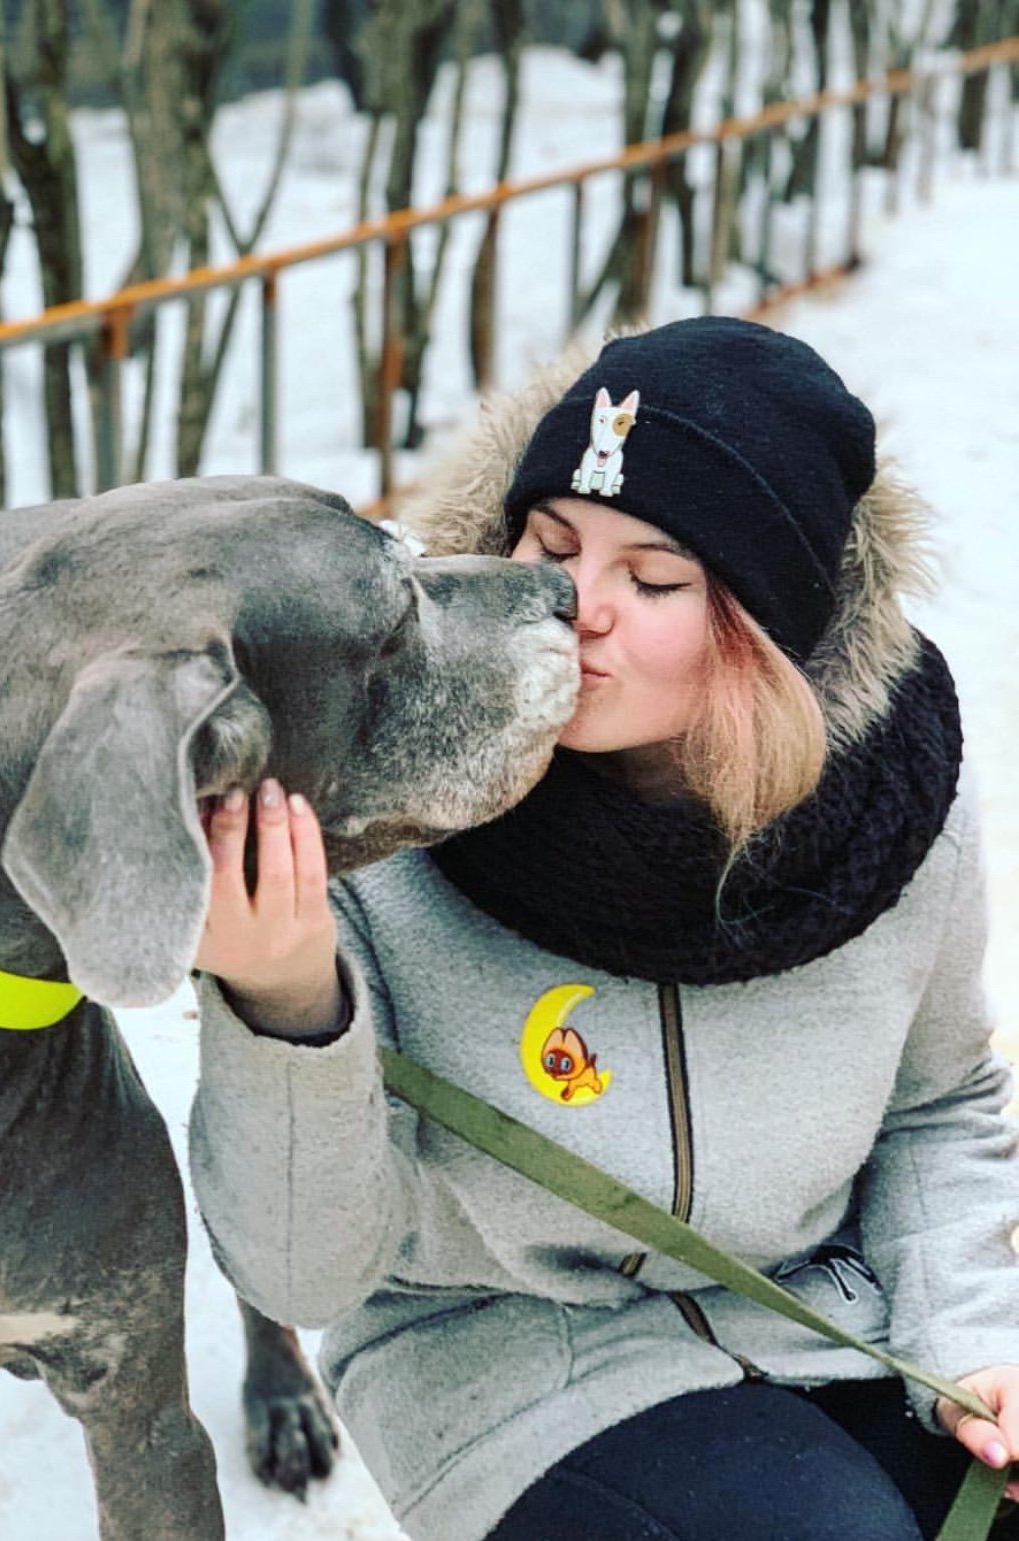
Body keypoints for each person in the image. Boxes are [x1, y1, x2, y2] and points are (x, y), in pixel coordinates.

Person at [187, 316, 1019, 1541]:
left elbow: (936, 1105)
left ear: (769, 630)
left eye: (655, 577)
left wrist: (976, 1335)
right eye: (553, 543)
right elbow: (302, 1276)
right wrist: (283, 1001)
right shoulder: (382, 801)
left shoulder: (890, 811)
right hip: (502, 1358)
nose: (576, 605)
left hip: (823, 1312)